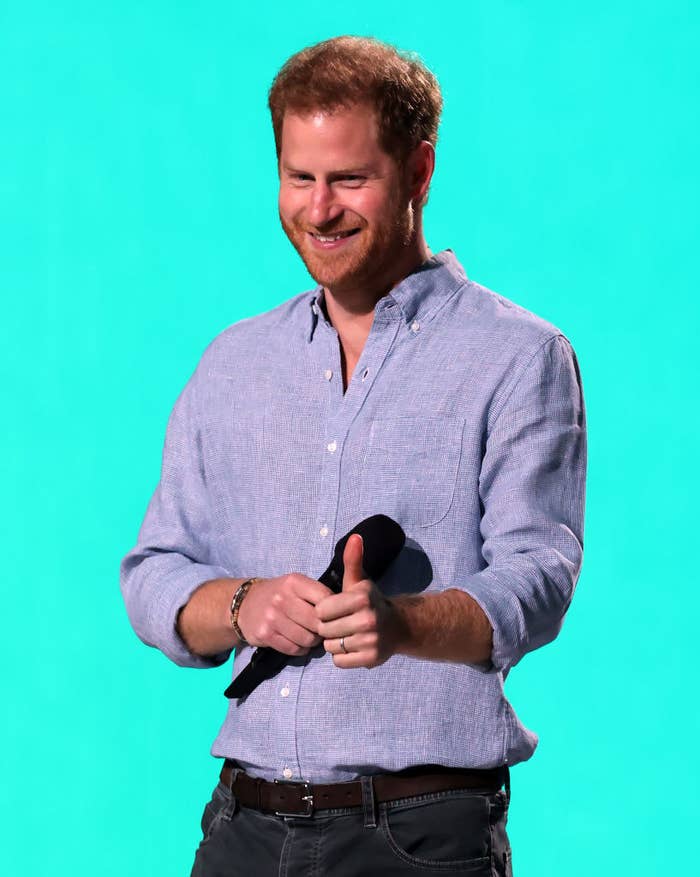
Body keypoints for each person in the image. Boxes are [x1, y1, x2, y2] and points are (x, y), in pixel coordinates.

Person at [120, 35, 586, 877]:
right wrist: (241, 604)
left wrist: (401, 623)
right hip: (243, 825)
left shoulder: (518, 355)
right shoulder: (234, 362)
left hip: (419, 832)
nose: (319, 208)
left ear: (418, 173)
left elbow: (538, 577)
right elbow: (155, 572)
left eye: (348, 179)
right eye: (299, 177)